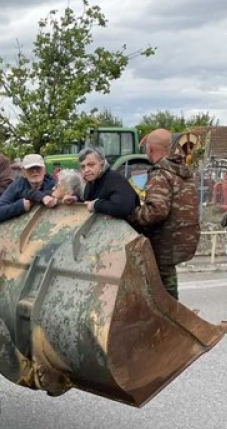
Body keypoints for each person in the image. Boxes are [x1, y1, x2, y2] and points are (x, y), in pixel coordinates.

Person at [128, 128, 200, 300]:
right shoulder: (182, 171)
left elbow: (156, 212)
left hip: (164, 243)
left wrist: (130, 214)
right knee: (168, 282)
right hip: (183, 238)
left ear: (150, 148)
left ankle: (172, 314)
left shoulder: (160, 174)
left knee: (163, 291)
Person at [62, 147, 139, 218]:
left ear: (102, 165)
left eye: (91, 165)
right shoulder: (92, 182)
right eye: (83, 167)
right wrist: (75, 199)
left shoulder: (114, 179)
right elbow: (89, 201)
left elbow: (123, 208)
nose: (86, 170)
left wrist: (96, 204)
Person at [0, 154, 57, 222]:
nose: (35, 171)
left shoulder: (53, 184)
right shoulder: (16, 186)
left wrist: (40, 196)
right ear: (23, 173)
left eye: (38, 167)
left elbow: (59, 193)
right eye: (30, 168)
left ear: (44, 170)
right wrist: (20, 206)